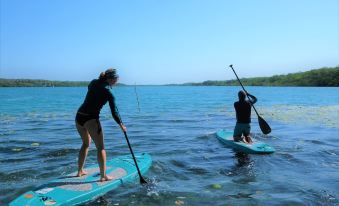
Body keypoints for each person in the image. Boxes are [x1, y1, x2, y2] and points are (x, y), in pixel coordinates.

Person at [75, 68, 126, 181]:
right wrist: (121, 125)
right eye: (116, 79)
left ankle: (80, 171)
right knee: (101, 147)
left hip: (79, 116)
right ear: (112, 79)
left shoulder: (93, 82)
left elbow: (92, 90)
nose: (117, 81)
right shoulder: (108, 91)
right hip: (90, 119)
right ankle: (103, 176)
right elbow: (114, 111)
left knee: (85, 143)